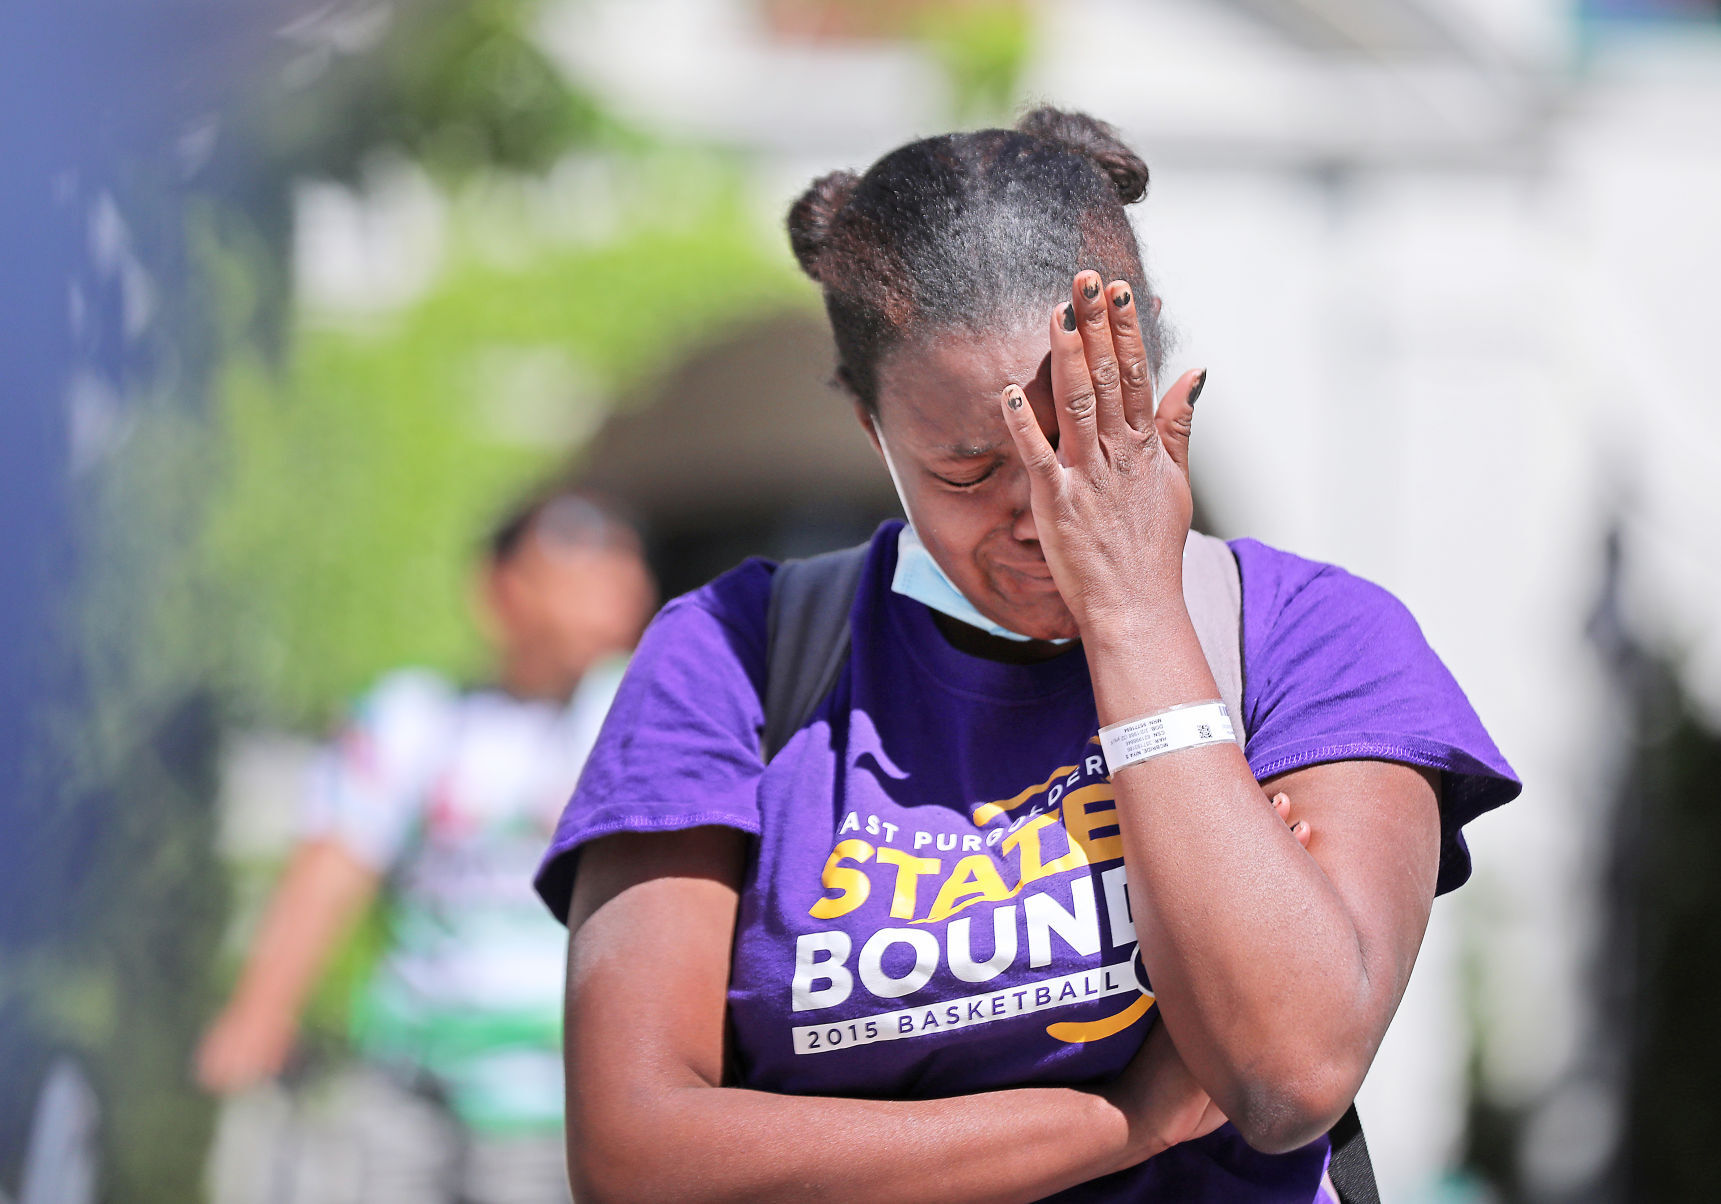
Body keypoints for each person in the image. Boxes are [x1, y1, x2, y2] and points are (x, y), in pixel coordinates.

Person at [534, 109, 1520, 1202]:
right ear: (871, 432)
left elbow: (1288, 1074)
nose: (1041, 513)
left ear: (1145, 374)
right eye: (965, 472)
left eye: (1080, 436)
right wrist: (1123, 1120)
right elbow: (635, 1157)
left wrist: (1135, 613)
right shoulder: (731, 657)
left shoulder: (1308, 638)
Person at [198, 487, 655, 1202]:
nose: (604, 591)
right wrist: (260, 1015)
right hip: (407, 1078)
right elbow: (332, 866)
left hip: (560, 1095)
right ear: (498, 591)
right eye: (570, 570)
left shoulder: (651, 721)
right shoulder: (414, 719)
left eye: (618, 573)